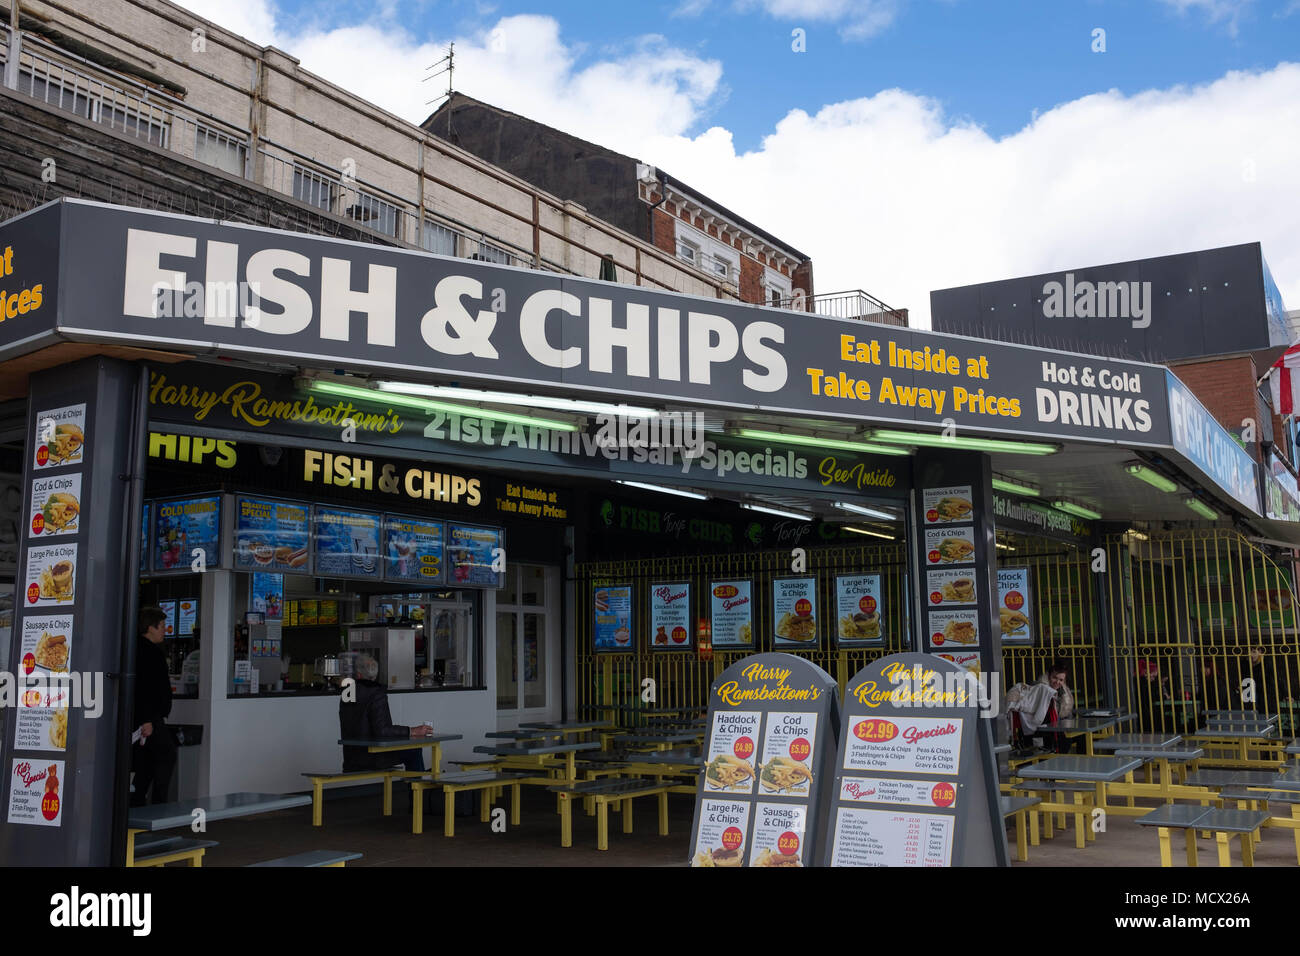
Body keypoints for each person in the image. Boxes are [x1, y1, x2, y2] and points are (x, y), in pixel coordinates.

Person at [339, 655, 432, 777]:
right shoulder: (376, 693)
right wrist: (412, 731)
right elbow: (382, 730)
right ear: (375, 675)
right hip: (373, 757)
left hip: (351, 758)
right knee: (414, 749)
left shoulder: (347, 693)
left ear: (358, 674)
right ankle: (418, 793)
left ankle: (419, 791)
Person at [131, 606, 177, 806]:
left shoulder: (135, 649)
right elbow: (145, 688)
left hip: (145, 718)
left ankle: (137, 804)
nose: (165, 630)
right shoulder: (149, 653)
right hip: (150, 719)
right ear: (150, 628)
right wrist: (147, 719)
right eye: (162, 626)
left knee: (145, 764)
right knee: (166, 756)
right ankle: (158, 805)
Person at [1006, 659, 1076, 751]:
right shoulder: (1039, 688)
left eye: (1061, 680)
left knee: (1075, 739)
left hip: (1055, 729)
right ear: (1048, 676)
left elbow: (1066, 715)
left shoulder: (1063, 693)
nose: (1057, 682)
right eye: (1054, 677)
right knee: (1063, 743)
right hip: (1040, 731)